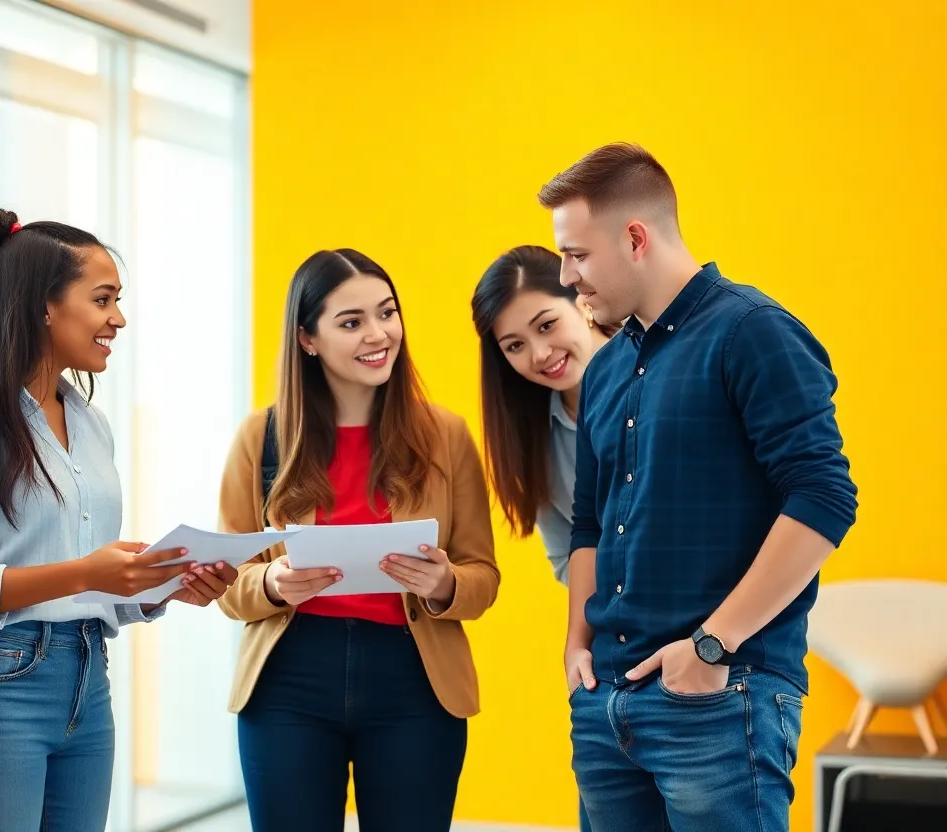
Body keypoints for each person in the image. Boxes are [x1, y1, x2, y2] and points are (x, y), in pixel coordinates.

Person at [538, 143, 858, 831]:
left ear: (634, 238)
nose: (568, 278)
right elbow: (589, 525)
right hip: (607, 705)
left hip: (718, 696)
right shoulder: (604, 370)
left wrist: (713, 645)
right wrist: (577, 647)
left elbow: (824, 496)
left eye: (577, 255)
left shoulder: (752, 333)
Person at [0, 205, 237, 832]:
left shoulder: (88, 420)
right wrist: (85, 573)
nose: (119, 318)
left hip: (88, 676)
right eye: (103, 298)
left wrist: (163, 584)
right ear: (43, 306)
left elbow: (89, 583)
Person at [215, 248, 500, 832]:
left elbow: (483, 575)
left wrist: (446, 583)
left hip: (415, 682)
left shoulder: (445, 434)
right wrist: (270, 580)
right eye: (352, 322)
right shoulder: (260, 436)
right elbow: (227, 585)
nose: (379, 334)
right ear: (307, 339)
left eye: (387, 313)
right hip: (288, 679)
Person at [470, 244, 619, 832]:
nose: (539, 354)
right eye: (514, 345)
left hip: (705, 648)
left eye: (546, 325)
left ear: (581, 303)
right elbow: (567, 558)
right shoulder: (531, 435)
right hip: (607, 658)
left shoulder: (661, 382)